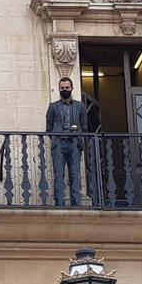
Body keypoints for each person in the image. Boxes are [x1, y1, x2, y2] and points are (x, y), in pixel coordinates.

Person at [45, 76, 88, 206]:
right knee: (59, 174)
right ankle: (59, 203)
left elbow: (84, 126)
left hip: (75, 143)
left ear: (72, 88)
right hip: (59, 143)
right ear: (59, 89)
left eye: (67, 88)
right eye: (62, 88)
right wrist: (56, 138)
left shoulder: (80, 106)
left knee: (74, 174)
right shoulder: (53, 106)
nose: (65, 90)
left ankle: (76, 203)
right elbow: (49, 127)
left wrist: (79, 137)